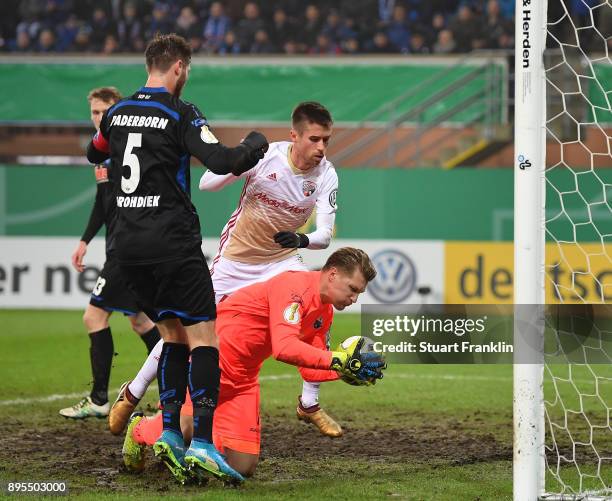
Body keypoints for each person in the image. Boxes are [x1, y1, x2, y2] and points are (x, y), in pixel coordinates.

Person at [86, 33, 268, 484]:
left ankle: (168, 431)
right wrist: (256, 144)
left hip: (126, 249)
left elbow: (94, 151)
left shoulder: (117, 113)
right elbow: (221, 160)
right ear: (179, 67)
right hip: (172, 244)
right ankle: (202, 443)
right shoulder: (180, 112)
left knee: (172, 336)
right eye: (188, 69)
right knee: (204, 338)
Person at [109, 101, 343, 439]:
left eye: (326, 140)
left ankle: (309, 403)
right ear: (295, 135)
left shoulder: (326, 175)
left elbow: (324, 236)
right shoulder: (268, 158)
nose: (321, 148)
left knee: (318, 310)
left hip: (281, 262)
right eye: (315, 139)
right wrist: (240, 159)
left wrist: (301, 239)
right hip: (235, 263)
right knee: (190, 329)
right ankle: (132, 392)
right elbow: (207, 183)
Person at [121, 247, 386, 479]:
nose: (354, 299)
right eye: (353, 289)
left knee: (243, 466)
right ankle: (139, 429)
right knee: (185, 428)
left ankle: (202, 443)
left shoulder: (323, 313)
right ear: (333, 274)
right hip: (210, 366)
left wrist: (347, 371)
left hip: (243, 381)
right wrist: (338, 359)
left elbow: (310, 365)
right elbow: (284, 348)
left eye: (359, 294)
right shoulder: (294, 287)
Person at [59, 87, 161, 420]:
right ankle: (179, 386)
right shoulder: (102, 151)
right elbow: (103, 202)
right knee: (141, 321)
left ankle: (99, 398)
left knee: (94, 316)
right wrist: (85, 240)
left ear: (117, 112)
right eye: (94, 112)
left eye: (104, 111)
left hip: (126, 249)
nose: (98, 118)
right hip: (121, 246)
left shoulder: (123, 148)